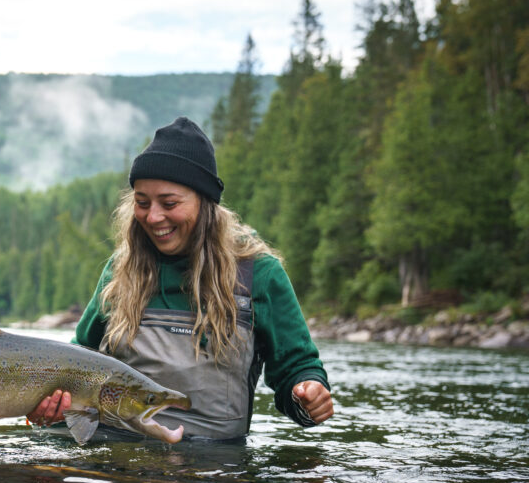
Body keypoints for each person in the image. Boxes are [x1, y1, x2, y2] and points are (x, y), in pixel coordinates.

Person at [27, 117, 333, 441]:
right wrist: (52, 404)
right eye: (142, 203)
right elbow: (78, 361)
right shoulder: (120, 271)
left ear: (205, 203)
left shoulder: (259, 274)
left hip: (214, 469)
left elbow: (295, 369)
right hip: (114, 462)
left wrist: (308, 394)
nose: (153, 216)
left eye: (169, 203)